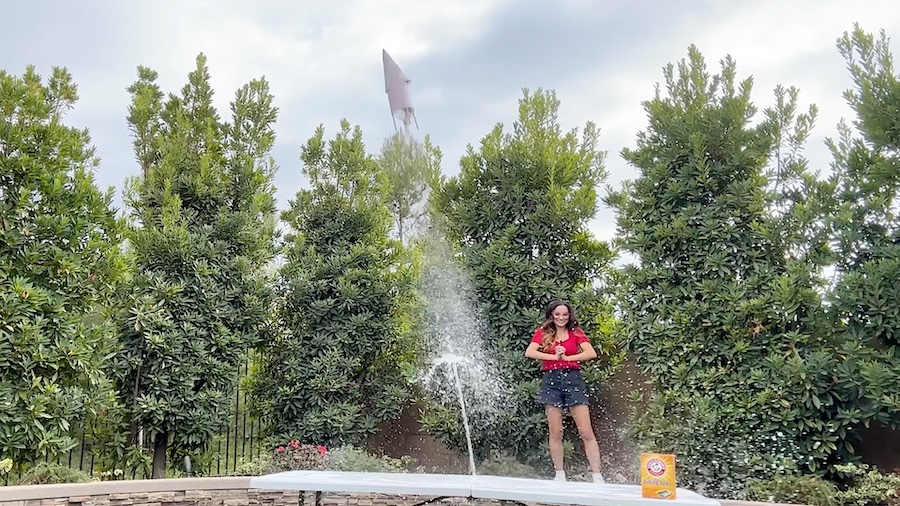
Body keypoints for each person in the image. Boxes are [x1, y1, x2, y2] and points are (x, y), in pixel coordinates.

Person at [524, 299, 604, 484]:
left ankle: (597, 475)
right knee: (556, 432)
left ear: (569, 316)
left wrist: (568, 358)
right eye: (557, 314)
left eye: (565, 314)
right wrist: (553, 356)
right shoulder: (543, 333)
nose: (561, 317)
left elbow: (590, 353)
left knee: (586, 431)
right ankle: (559, 475)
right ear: (552, 315)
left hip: (573, 379)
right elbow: (530, 352)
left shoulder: (576, 333)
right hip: (551, 380)